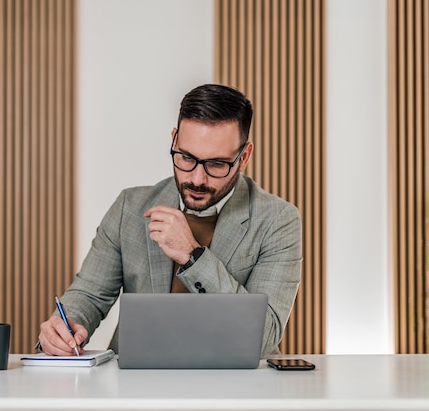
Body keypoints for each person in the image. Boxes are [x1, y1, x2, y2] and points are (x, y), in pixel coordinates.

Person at [38, 83, 302, 357]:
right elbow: (90, 295)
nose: (197, 179)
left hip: (235, 388)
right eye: (186, 157)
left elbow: (264, 336)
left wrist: (193, 256)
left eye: (216, 164)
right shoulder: (129, 207)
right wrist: (64, 327)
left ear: (244, 157)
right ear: (174, 141)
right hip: (138, 385)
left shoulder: (277, 220)